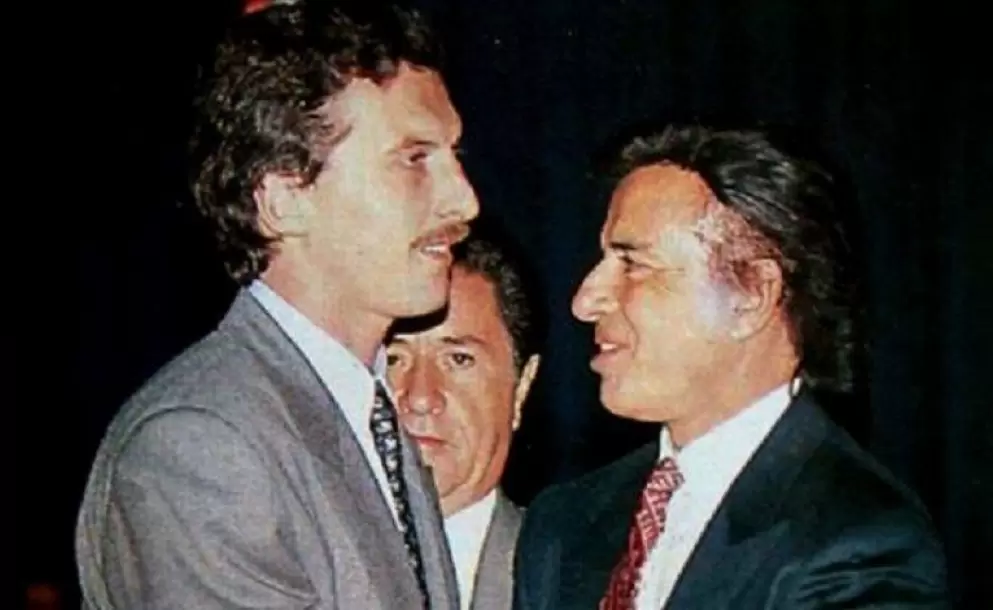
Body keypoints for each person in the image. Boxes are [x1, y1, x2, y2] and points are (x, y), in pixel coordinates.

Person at [74, 2, 478, 608]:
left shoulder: (365, 415)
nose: (464, 201)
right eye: (414, 159)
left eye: (455, 157)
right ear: (284, 199)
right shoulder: (204, 446)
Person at [512, 124, 948, 609]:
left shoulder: (859, 542)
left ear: (752, 295)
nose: (585, 300)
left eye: (633, 264)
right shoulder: (564, 524)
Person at [387, 231, 541, 610]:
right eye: (393, 359)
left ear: (521, 387)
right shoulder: (284, 563)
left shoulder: (580, 584)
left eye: (458, 359)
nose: (420, 397)